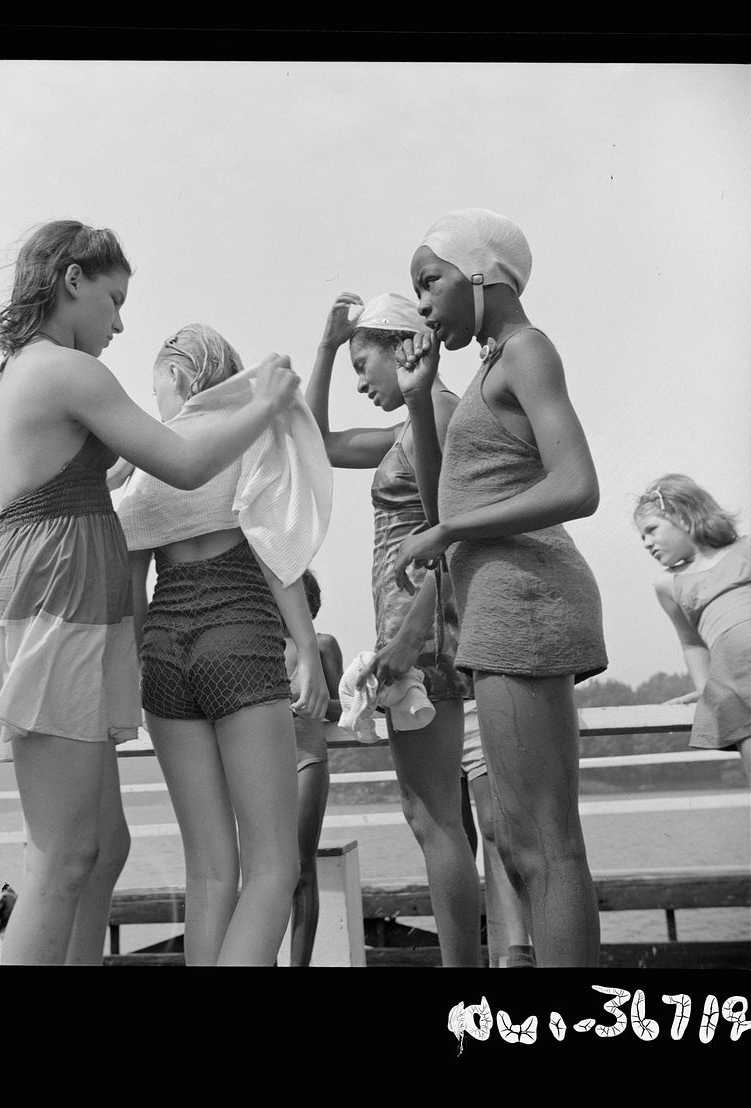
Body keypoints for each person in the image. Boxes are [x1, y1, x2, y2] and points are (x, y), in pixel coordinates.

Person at [0, 221, 301, 966]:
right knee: (65, 855)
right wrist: (263, 404)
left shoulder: (2, 382)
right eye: (114, 299)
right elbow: (185, 461)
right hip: (63, 607)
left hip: (28, 591)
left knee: (104, 848)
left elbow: (22, 504)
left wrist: (92, 494)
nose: (121, 321)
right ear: (73, 280)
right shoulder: (72, 372)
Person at [390, 208, 607, 967]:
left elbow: (579, 485)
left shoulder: (527, 351)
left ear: (481, 275)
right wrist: (419, 400)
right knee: (521, 845)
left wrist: (452, 535)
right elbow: (440, 503)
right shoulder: (486, 371)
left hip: (528, 601)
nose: (420, 303)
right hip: (497, 610)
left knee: (544, 844)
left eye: (429, 280)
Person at [117, 323, 331, 966]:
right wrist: (308, 656)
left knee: (209, 872)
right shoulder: (243, 442)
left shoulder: (147, 470)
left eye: (157, 388)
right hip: (237, 636)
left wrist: (137, 671)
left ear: (179, 378)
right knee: (272, 867)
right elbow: (274, 557)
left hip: (163, 648)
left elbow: (132, 592)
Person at [305, 291, 482, 967]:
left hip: (426, 632)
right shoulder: (414, 423)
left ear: (400, 346)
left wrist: (406, 640)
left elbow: (453, 532)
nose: (357, 380)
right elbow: (317, 444)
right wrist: (325, 347)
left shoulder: (434, 411)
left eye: (360, 360)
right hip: (415, 630)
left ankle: (464, 973)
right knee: (435, 816)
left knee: (433, 817)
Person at [634, 475, 751, 784]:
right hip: (739, 691)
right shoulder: (668, 584)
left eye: (651, 530)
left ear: (682, 516)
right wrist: (704, 688)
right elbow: (692, 644)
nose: (646, 543)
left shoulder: (747, 548)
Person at [284, 569, 344, 967]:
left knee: (302, 869)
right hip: (257, 763)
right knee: (264, 870)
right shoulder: (254, 646)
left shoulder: (322, 645)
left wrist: (316, 702)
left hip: (306, 758)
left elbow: (342, 708)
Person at [458, 700, 535, 968]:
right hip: (423, 708)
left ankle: (519, 949)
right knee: (453, 838)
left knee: (496, 827)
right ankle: (461, 957)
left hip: (476, 702)